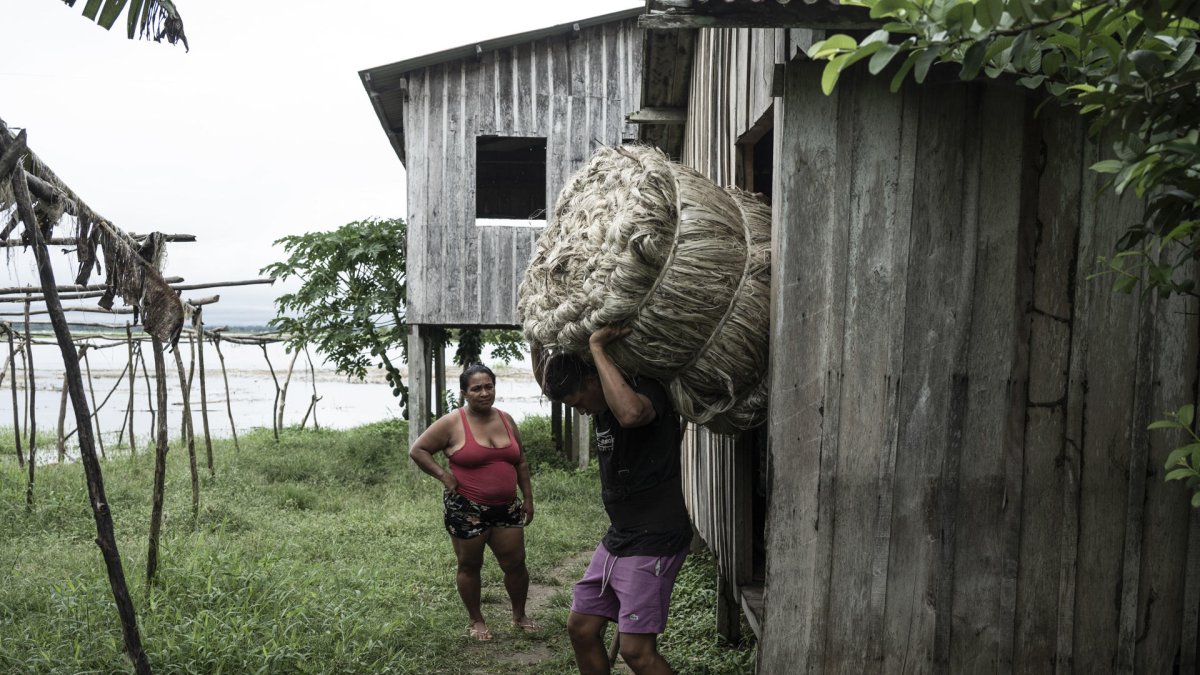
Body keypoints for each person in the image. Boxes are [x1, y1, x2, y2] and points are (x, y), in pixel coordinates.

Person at [539, 326, 692, 675]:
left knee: (636, 652)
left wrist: (595, 345)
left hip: (656, 537)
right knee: (581, 627)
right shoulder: (599, 403)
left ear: (595, 378)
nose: (580, 411)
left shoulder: (640, 392)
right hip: (620, 537)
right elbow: (551, 378)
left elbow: (632, 415)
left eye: (578, 402)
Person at [409, 363, 539, 641]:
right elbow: (418, 450)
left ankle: (519, 615)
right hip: (467, 508)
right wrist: (444, 476)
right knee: (470, 565)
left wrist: (527, 497)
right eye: (476, 388)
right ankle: (477, 620)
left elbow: (521, 461)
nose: (484, 393)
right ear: (464, 393)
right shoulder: (452, 422)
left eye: (488, 386)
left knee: (516, 564)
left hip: (507, 507)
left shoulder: (506, 419)